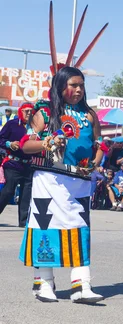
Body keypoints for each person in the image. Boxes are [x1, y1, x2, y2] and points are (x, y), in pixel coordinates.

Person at [19, 36, 108, 305]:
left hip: (80, 182)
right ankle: (45, 283)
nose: (79, 90)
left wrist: (97, 161)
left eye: (82, 85)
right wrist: (46, 142)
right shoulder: (45, 113)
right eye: (74, 85)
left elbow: (100, 144)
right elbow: (26, 145)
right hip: (49, 179)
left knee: (80, 228)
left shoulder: (90, 115)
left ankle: (82, 285)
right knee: (46, 228)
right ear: (61, 86)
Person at [0, 103, 34, 227]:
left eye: (31, 111)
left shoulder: (36, 127)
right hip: (13, 163)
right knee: (8, 191)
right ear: (20, 111)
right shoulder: (12, 124)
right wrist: (9, 144)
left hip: (29, 165)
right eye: (26, 111)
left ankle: (23, 222)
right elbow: (1, 139)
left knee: (26, 194)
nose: (29, 113)